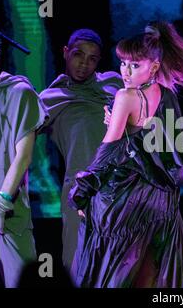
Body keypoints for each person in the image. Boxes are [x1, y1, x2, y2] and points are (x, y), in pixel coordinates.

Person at [68, 21, 183, 288]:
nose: (126, 72)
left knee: (113, 272)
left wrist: (83, 190)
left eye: (135, 65)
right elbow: (162, 145)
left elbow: (108, 150)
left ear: (153, 67)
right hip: (161, 201)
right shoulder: (166, 95)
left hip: (128, 200)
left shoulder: (125, 96)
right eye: (123, 63)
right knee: (155, 275)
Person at [40, 29, 123, 273]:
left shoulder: (113, 83)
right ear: (65, 52)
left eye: (92, 58)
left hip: (119, 185)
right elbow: (17, 138)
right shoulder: (49, 98)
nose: (84, 64)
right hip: (80, 190)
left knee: (120, 265)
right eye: (78, 55)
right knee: (78, 264)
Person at [0, 23, 47, 287]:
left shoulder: (18, 92)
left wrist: (0, 205)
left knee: (22, 280)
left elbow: (23, 156)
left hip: (10, 207)